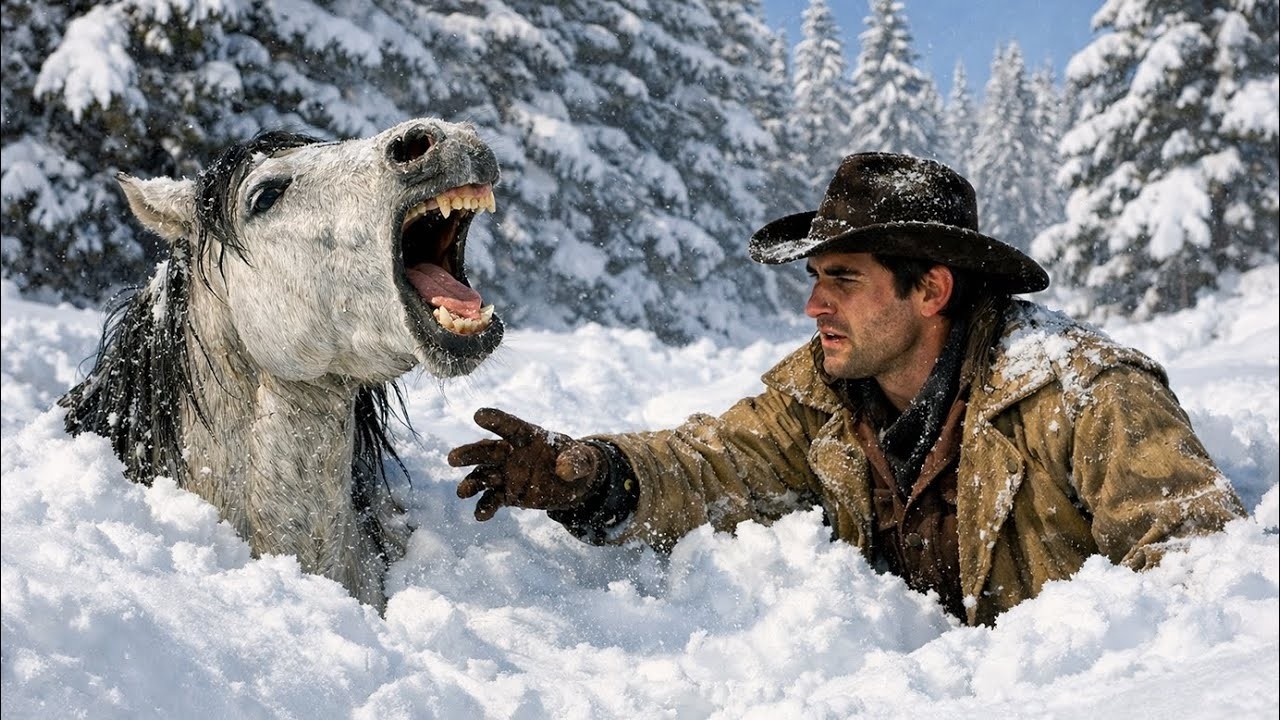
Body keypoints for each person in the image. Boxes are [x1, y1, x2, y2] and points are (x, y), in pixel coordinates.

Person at [448, 152, 1246, 625]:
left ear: (930, 290)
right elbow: (711, 464)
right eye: (814, 278)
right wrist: (593, 476)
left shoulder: (1087, 396)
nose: (813, 305)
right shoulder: (822, 397)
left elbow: (1208, 588)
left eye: (843, 279)